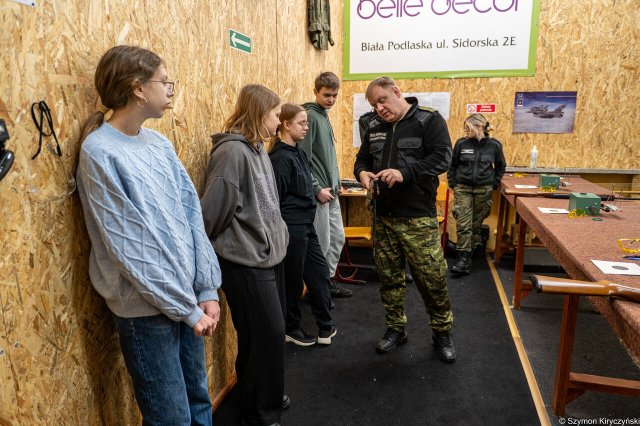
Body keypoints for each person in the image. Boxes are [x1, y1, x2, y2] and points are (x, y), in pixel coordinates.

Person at [76, 45, 221, 425]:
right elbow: (129, 246)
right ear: (138, 88)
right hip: (145, 310)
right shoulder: (99, 152)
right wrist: (186, 307)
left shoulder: (159, 143)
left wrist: (205, 288)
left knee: (199, 402)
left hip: (185, 299)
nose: (170, 89)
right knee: (171, 417)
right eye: (164, 81)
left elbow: (191, 216)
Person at [200, 84, 289, 426]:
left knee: (261, 337)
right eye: (276, 115)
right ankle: (263, 414)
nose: (279, 122)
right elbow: (212, 214)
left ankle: (259, 398)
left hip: (267, 257)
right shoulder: (231, 153)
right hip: (245, 263)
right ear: (259, 113)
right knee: (266, 336)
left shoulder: (259, 148)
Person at [354, 76, 456, 363]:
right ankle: (396, 328)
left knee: (432, 279)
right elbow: (362, 159)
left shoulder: (427, 120)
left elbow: (442, 158)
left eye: (382, 101)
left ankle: (442, 332)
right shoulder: (373, 126)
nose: (379, 109)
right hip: (383, 217)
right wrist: (362, 173)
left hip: (417, 218)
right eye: (374, 105)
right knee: (389, 279)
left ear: (397, 92)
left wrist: (405, 173)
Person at [269, 103, 337, 347]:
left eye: (307, 122)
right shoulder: (279, 159)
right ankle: (291, 327)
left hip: (307, 224)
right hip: (292, 228)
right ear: (286, 125)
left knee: (320, 274)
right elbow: (275, 200)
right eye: (301, 123)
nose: (306, 127)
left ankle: (325, 327)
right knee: (293, 280)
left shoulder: (298, 152)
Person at [299, 72, 352, 298]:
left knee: (337, 239)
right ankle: (316, 289)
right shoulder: (310, 115)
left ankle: (326, 284)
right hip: (319, 193)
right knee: (321, 243)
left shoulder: (324, 115)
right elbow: (303, 158)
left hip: (332, 191)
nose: (331, 99)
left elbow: (327, 157)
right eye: (326, 95)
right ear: (315, 92)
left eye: (335, 95)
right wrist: (316, 188)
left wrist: (336, 182)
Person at [448, 113, 506, 275]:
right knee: (463, 224)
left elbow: (501, 166)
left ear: (479, 127)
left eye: (468, 128)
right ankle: (463, 259)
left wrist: (493, 184)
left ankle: (470, 255)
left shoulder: (494, 146)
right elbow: (452, 165)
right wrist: (454, 184)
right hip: (463, 189)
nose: (466, 131)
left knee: (475, 225)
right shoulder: (461, 143)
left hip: (483, 190)